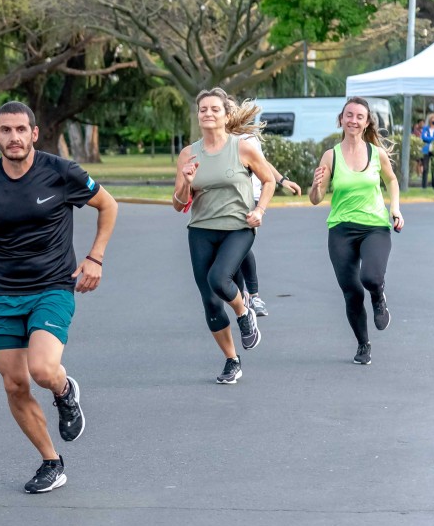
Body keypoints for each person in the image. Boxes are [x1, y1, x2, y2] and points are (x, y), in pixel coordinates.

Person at [0, 101, 117, 494]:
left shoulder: (60, 172)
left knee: (43, 370)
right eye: (5, 130)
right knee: (14, 384)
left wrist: (95, 257)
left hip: (52, 286)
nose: (14, 137)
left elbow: (107, 204)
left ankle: (64, 391)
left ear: (33, 133)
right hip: (3, 291)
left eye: (20, 130)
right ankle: (50, 461)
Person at [172, 88, 274, 385]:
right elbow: (178, 203)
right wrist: (186, 184)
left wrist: (261, 210)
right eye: (203, 109)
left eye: (214, 109)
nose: (208, 113)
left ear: (226, 115)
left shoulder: (242, 148)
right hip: (201, 229)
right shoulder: (188, 154)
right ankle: (232, 360)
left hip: (238, 228)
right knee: (211, 302)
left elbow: (268, 180)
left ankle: (244, 314)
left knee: (219, 280)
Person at [309, 97, 403, 366]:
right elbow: (316, 198)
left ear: (367, 122)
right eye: (349, 115)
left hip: (374, 226)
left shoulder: (377, 154)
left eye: (359, 116)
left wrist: (395, 209)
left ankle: (379, 296)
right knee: (351, 291)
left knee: (371, 277)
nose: (353, 120)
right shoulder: (331, 155)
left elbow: (392, 180)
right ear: (341, 119)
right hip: (341, 228)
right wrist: (315, 187)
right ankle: (363, 344)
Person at [238, 135, 302, 317]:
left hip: (251, 195)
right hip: (228, 197)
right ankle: (241, 296)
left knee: (241, 243)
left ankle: (253, 296)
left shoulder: (249, 137)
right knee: (232, 247)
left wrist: (282, 180)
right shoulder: (219, 135)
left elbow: (262, 162)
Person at [421, 114, 434, 189]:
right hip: (426, 150)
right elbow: (423, 137)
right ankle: (424, 186)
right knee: (425, 168)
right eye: (433, 118)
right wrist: (433, 138)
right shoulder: (425, 128)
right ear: (430, 120)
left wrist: (428, 138)